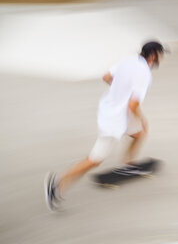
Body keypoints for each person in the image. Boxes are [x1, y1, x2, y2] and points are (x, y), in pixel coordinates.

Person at [44, 41, 166, 211]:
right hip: (114, 119)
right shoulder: (145, 74)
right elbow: (132, 105)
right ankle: (56, 185)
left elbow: (106, 77)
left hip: (112, 108)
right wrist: (142, 118)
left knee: (139, 134)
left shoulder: (129, 60)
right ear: (153, 55)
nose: (162, 57)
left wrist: (119, 91)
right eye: (161, 54)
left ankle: (128, 165)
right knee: (94, 160)